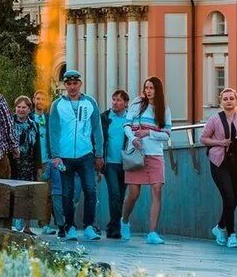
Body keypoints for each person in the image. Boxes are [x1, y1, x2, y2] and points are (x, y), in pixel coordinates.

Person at [48, 69, 104, 242]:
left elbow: (97, 129)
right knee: (67, 193)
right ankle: (70, 226)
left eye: (75, 83)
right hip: (64, 156)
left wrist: (99, 154)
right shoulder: (57, 105)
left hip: (85, 154)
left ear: (80, 84)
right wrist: (55, 155)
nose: (72, 87)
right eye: (69, 84)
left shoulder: (90, 103)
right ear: (65, 85)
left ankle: (88, 226)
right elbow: (54, 131)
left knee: (90, 189)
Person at [121, 77, 172, 245]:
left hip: (155, 154)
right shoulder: (137, 104)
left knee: (157, 190)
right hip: (136, 153)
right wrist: (133, 138)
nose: (148, 90)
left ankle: (152, 232)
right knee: (133, 194)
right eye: (146, 87)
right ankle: (125, 221)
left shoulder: (163, 109)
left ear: (157, 90)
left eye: (151, 88)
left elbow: (166, 134)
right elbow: (127, 125)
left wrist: (149, 133)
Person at [200, 88, 237, 248]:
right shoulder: (215, 120)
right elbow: (203, 138)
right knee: (228, 197)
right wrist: (219, 143)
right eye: (225, 99)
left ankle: (220, 227)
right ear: (221, 102)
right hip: (219, 162)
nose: (228, 101)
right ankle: (232, 234)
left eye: (231, 98)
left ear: (236, 101)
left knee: (235, 199)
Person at [100, 89, 130, 239]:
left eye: (118, 100)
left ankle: (112, 225)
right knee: (114, 194)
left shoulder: (130, 118)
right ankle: (116, 227)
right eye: (113, 99)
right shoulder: (105, 118)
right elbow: (98, 139)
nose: (115, 103)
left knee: (121, 196)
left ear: (125, 103)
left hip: (126, 163)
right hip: (109, 163)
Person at [11, 95, 43, 234]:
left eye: (24, 107)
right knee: (13, 194)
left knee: (28, 195)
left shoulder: (33, 125)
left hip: (29, 164)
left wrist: (38, 167)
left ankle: (27, 226)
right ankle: (11, 222)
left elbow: (38, 148)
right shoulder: (9, 123)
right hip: (13, 164)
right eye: (19, 107)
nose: (21, 110)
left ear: (29, 109)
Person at [32, 90, 61, 235]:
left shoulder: (50, 119)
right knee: (34, 193)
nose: (40, 102)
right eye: (37, 99)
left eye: (42, 99)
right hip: (32, 162)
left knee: (48, 194)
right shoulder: (30, 118)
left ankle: (45, 224)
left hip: (48, 161)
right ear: (33, 100)